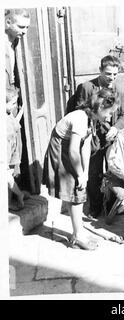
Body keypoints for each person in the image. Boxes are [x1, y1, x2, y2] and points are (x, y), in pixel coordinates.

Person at [42, 88, 119, 250]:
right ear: (99, 108)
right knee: (76, 190)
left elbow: (85, 146)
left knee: (78, 188)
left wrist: (84, 171)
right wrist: (79, 175)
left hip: (70, 149)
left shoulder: (92, 118)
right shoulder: (80, 118)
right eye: (109, 112)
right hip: (61, 150)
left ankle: (78, 232)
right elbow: (73, 150)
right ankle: (78, 236)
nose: (110, 116)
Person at [67, 55, 124, 218]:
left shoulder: (120, 88)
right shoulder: (87, 88)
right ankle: (95, 207)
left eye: (115, 74)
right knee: (93, 174)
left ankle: (112, 205)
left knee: (113, 173)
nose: (112, 78)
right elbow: (80, 113)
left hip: (110, 139)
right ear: (100, 70)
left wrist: (116, 128)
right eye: (108, 74)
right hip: (92, 139)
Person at [5, 8, 31, 181]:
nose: (25, 31)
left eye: (27, 27)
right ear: (7, 22)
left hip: (12, 101)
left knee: (15, 145)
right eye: (21, 26)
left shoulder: (14, 41)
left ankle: (15, 192)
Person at [6, 88, 29, 210]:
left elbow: (15, 122)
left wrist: (22, 110)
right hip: (6, 148)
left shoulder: (9, 115)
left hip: (12, 148)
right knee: (6, 175)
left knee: (9, 174)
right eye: (12, 103)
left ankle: (11, 200)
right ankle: (19, 194)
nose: (15, 106)